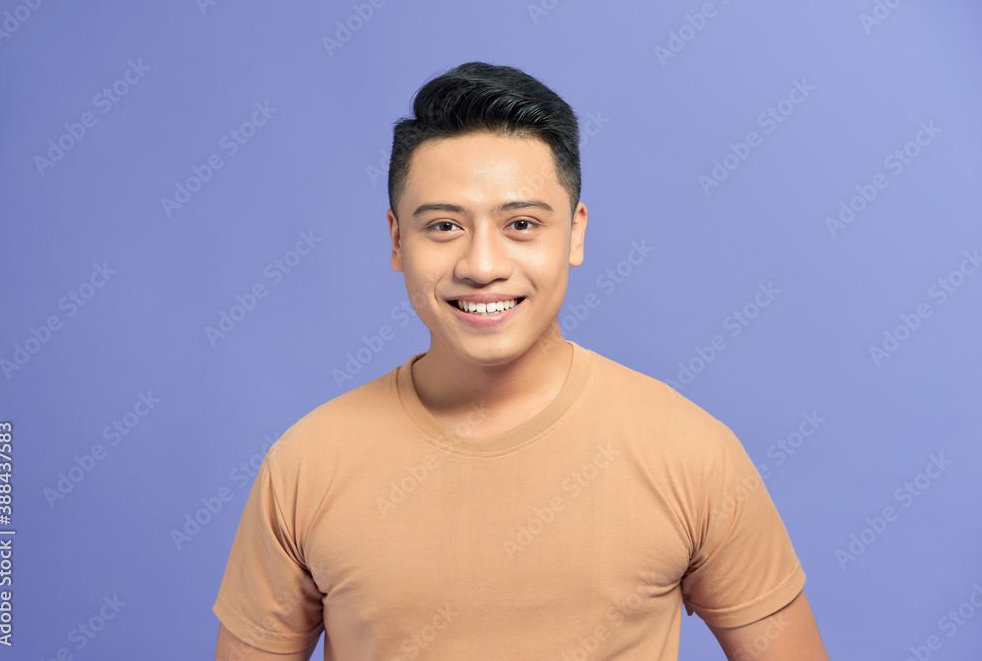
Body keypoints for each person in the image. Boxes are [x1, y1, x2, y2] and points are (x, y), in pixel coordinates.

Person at [213, 61, 831, 660]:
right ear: (398, 240)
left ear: (576, 233)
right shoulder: (306, 465)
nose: (483, 265)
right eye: (445, 226)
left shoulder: (694, 457)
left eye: (522, 224)